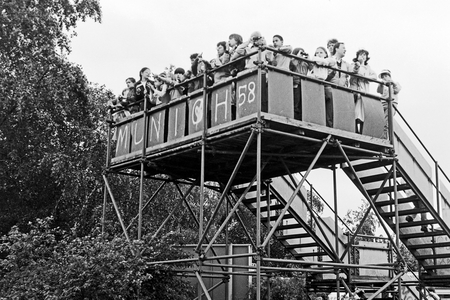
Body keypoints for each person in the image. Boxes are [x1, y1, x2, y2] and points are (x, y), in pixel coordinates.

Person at [350, 48, 377, 134]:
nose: (363, 56)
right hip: (356, 91)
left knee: (362, 112)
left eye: (364, 55)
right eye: (361, 54)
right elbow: (354, 71)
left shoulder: (368, 68)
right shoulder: (353, 64)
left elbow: (374, 76)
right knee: (354, 111)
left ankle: (361, 131)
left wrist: (365, 78)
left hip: (364, 92)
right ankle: (354, 130)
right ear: (357, 57)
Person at [325, 42, 352, 127]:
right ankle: (330, 130)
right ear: (336, 49)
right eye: (343, 48)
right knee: (330, 111)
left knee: (339, 112)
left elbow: (353, 72)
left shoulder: (346, 64)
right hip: (331, 88)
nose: (345, 50)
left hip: (341, 90)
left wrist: (356, 67)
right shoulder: (329, 60)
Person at [376, 69, 401, 139]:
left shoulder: (395, 83)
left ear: (389, 76)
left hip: (391, 104)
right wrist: (381, 84)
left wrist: (392, 83)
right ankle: (382, 136)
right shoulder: (383, 85)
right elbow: (379, 91)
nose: (384, 77)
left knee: (387, 121)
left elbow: (397, 89)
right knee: (381, 120)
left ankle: (385, 137)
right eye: (383, 76)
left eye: (386, 75)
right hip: (383, 103)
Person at [290, 47, 309, 120]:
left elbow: (311, 68)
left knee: (302, 103)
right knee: (296, 101)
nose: (302, 54)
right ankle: (295, 117)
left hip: (303, 84)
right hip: (296, 83)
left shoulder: (304, 63)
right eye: (300, 52)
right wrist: (296, 57)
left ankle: (300, 118)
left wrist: (308, 59)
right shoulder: (293, 61)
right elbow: (292, 65)